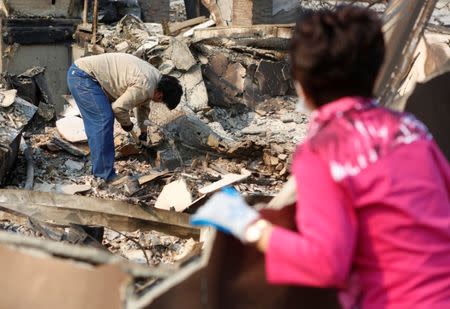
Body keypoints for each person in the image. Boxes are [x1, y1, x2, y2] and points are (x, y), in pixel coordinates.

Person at [191, 6, 450, 309]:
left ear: (303, 84)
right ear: (375, 71)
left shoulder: (324, 150)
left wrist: (249, 225)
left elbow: (325, 263)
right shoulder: (410, 128)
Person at [67, 53, 183, 181]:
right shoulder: (145, 84)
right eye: (161, 101)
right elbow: (118, 108)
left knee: (102, 120)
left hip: (86, 75)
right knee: (103, 119)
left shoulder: (155, 79)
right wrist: (127, 124)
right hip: (82, 76)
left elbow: (143, 106)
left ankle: (100, 169)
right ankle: (103, 175)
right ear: (160, 95)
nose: (157, 102)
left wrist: (143, 133)